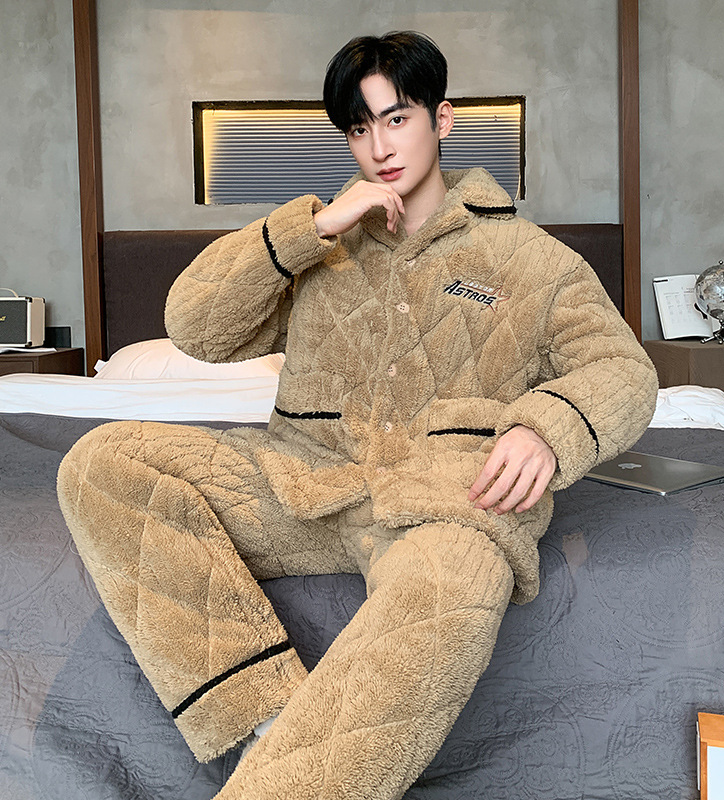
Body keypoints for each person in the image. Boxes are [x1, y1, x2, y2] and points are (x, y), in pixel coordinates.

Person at [57, 31, 658, 800]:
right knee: (102, 463)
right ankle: (270, 718)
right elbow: (194, 326)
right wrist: (310, 228)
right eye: (359, 127)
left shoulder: (531, 259)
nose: (380, 146)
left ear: (442, 119)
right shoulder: (320, 245)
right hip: (302, 483)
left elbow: (621, 368)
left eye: (397, 118)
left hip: (448, 501)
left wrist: (547, 428)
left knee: (452, 585)